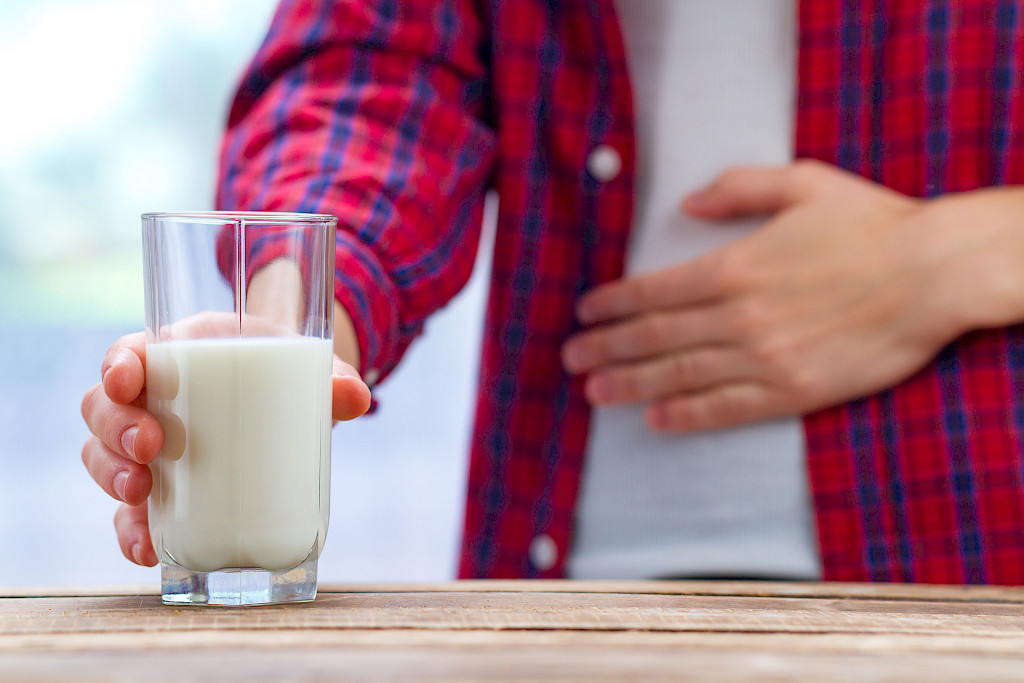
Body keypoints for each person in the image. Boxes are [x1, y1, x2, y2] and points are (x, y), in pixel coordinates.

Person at [82, 0, 1024, 583]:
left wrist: (956, 254)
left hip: (971, 570)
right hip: (564, 587)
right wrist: (293, 326)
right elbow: (373, 68)